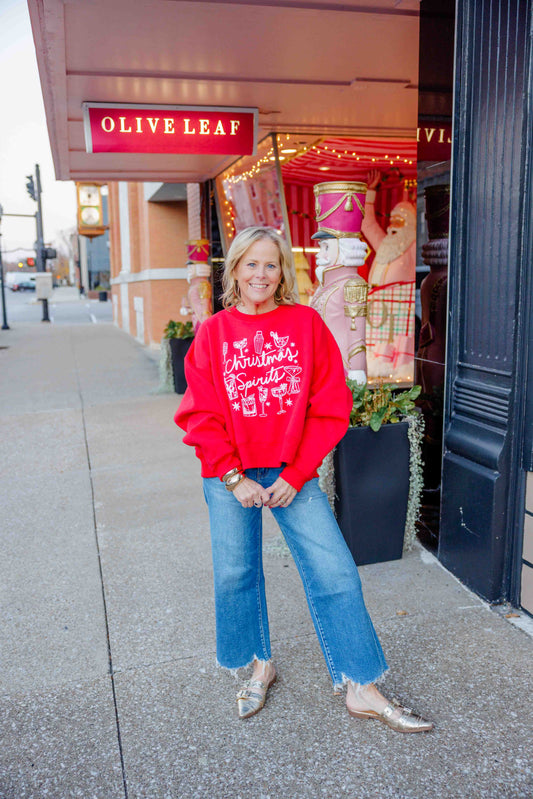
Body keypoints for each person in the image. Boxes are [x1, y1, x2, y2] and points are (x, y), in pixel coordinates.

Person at [175, 226, 433, 733]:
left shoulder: (306, 324)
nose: (261, 275)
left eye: (271, 265)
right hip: (229, 472)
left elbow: (330, 407)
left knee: (335, 570)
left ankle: (361, 685)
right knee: (235, 574)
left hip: (291, 471)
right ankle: (258, 664)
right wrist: (232, 476)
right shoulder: (213, 332)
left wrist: (296, 474)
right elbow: (199, 413)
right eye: (251, 263)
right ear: (236, 270)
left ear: (283, 273)